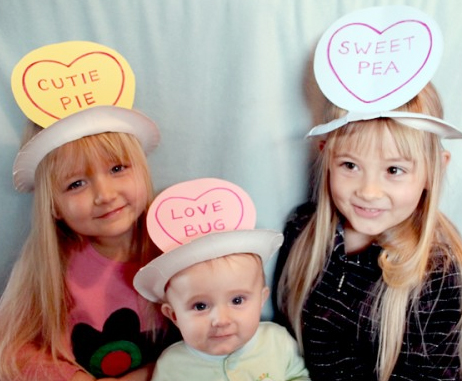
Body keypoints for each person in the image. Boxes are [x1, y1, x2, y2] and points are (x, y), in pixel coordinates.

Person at [274, 81, 462, 380]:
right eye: (350, 165)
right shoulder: (302, 231)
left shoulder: (439, 272)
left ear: (434, 170)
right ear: (326, 157)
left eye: (393, 170)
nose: (369, 191)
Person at [0, 105, 172, 381]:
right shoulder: (52, 266)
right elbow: (11, 349)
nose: (104, 195)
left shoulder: (174, 248)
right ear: (54, 206)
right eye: (76, 184)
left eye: (117, 168)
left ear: (143, 170)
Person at [134, 228, 310, 381]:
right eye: (200, 306)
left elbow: (297, 375)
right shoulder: (172, 365)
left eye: (237, 300)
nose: (221, 320)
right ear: (174, 315)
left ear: (261, 300)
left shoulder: (277, 341)